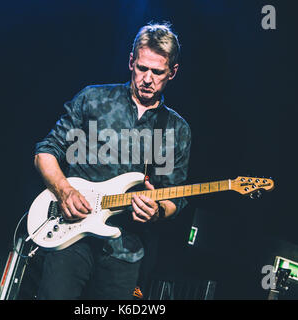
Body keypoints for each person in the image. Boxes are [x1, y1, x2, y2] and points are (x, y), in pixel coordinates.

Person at [33, 22, 191, 300]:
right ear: (131, 61)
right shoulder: (93, 99)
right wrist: (64, 190)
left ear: (172, 73)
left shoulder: (175, 130)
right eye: (142, 68)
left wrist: (157, 210)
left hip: (125, 249)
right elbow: (46, 151)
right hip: (71, 233)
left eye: (158, 72)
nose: (147, 78)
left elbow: (172, 195)